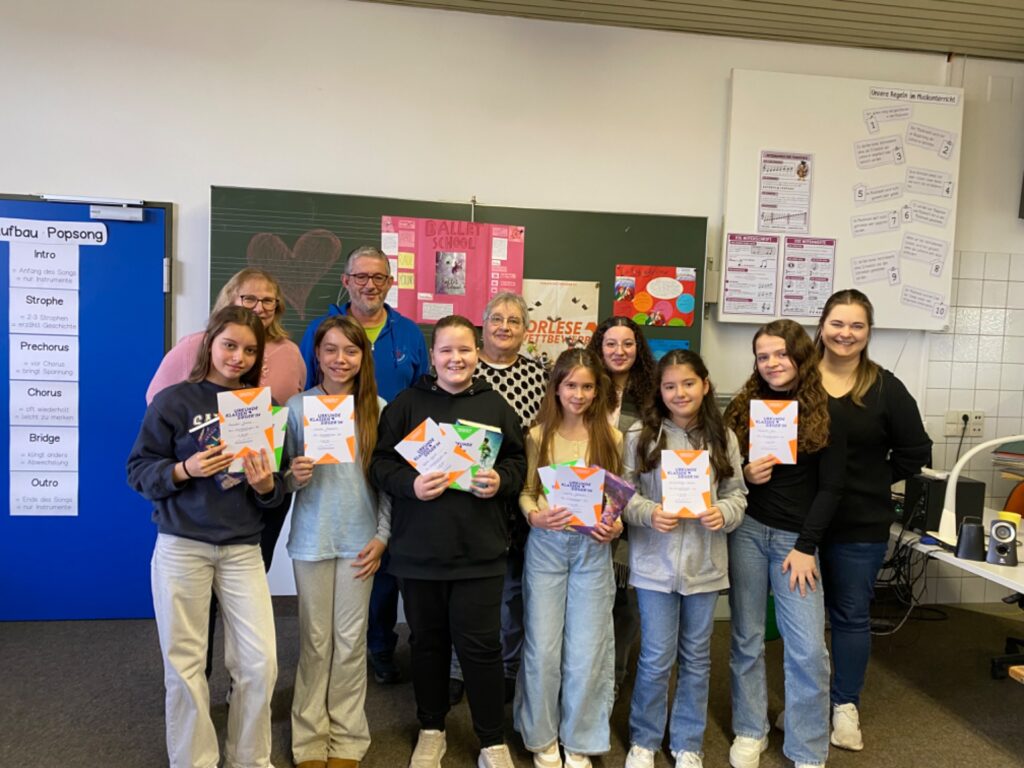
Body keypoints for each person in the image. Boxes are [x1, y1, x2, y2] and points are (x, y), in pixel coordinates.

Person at [127, 306, 283, 768]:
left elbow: (275, 494)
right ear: (210, 343)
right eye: (229, 345)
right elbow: (138, 471)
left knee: (260, 663)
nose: (238, 357)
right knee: (185, 664)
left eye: (249, 350)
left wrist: (267, 485)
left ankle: (249, 759)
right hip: (183, 545)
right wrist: (184, 469)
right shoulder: (173, 401)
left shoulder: (262, 407)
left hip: (242, 548)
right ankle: (193, 761)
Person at [369, 315, 526, 768]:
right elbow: (380, 465)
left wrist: (502, 480)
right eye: (446, 350)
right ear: (432, 356)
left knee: (482, 648)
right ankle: (431, 729)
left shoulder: (496, 406)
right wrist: (410, 485)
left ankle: (491, 740)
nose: (456, 358)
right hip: (418, 553)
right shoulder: (406, 405)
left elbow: (518, 462)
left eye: (464, 349)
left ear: (477, 354)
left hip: (480, 552)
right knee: (427, 643)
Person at [145, 267, 304, 679]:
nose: (259, 307)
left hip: (251, 508)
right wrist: (187, 463)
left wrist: (269, 482)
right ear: (228, 301)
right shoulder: (189, 356)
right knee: (192, 635)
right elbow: (155, 425)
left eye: (268, 300)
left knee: (252, 635)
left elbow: (290, 420)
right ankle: (202, 676)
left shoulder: (289, 353)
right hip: (193, 515)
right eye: (249, 298)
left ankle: (239, 686)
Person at [300, 245, 429, 685]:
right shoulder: (321, 330)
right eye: (361, 276)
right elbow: (309, 390)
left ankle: (379, 646)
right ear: (346, 280)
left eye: (378, 277)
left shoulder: (408, 333)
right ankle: (349, 653)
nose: (369, 285)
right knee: (343, 573)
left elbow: (423, 395)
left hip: (393, 460)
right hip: (331, 470)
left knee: (384, 562)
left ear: (390, 283)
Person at [723, 319, 846, 768]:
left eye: (781, 354)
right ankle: (750, 729)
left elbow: (832, 489)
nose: (772, 363)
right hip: (748, 532)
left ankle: (807, 748)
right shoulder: (741, 408)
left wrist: (806, 546)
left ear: (800, 356)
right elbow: (721, 473)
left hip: (797, 542)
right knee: (746, 637)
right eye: (763, 356)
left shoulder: (828, 410)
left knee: (808, 648)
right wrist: (744, 473)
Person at [814, 289, 931, 752]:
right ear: (822, 326)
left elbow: (916, 451)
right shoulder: (797, 379)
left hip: (860, 523)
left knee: (849, 615)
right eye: (837, 323)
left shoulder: (885, 387)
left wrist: (871, 479)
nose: (845, 333)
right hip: (799, 522)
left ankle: (845, 705)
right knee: (802, 619)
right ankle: (808, 700)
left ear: (868, 332)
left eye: (856, 325)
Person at [622, 350, 747, 768]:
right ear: (659, 391)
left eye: (688, 383)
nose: (680, 393)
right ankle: (644, 739)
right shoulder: (640, 435)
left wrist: (723, 513)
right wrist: (649, 513)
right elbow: (623, 494)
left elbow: (737, 494)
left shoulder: (723, 437)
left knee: (696, 657)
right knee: (656, 656)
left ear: (705, 385)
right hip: (654, 567)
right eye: (670, 386)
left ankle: (687, 742)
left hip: (704, 567)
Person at [285, 315, 391, 768]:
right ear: (317, 354)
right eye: (330, 349)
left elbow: (387, 484)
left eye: (350, 350)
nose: (340, 359)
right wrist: (293, 476)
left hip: (360, 542)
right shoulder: (297, 407)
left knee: (350, 643)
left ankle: (347, 738)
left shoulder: (379, 408)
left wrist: (383, 537)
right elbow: (279, 480)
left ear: (363, 357)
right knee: (314, 641)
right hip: (312, 538)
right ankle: (309, 739)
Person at [516, 348, 624, 768]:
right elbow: (527, 492)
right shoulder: (538, 436)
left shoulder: (611, 438)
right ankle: (541, 735)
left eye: (587, 387)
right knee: (543, 649)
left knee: (586, 650)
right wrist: (534, 515)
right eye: (570, 385)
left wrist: (615, 525)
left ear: (598, 391)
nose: (578, 394)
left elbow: (617, 499)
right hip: (546, 547)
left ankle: (579, 738)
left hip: (593, 551)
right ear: (556, 388)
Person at [449, 292, 549, 705]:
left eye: (514, 320)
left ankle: (507, 668)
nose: (504, 327)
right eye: (496, 319)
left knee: (511, 593)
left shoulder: (540, 376)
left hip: (519, 497)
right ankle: (457, 669)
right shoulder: (463, 369)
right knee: (463, 589)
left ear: (526, 330)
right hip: (468, 497)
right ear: (483, 325)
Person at [587, 316, 657, 698]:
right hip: (588, 501)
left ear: (638, 348)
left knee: (625, 600)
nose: (619, 351)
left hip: (633, 505)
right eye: (610, 344)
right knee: (589, 596)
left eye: (627, 343)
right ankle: (587, 673)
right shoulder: (585, 385)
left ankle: (614, 675)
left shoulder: (651, 393)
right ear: (599, 348)